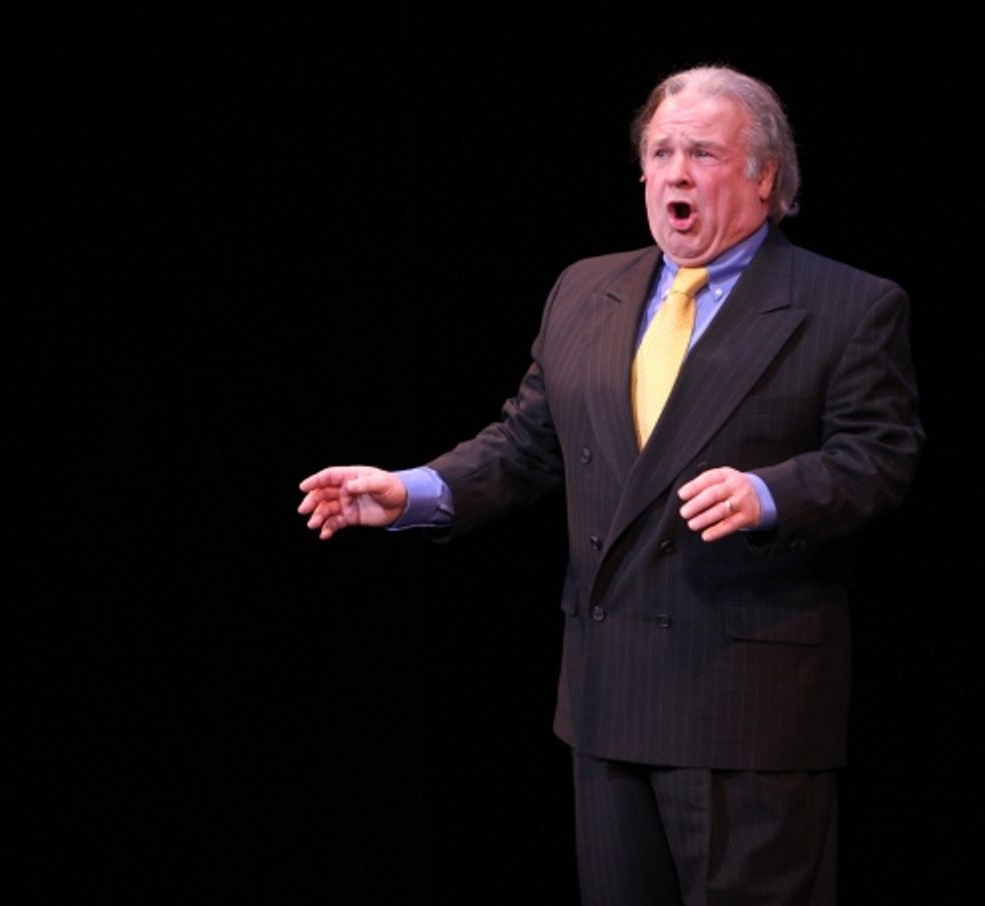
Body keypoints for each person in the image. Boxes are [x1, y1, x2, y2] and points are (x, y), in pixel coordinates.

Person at [297, 65, 923, 904]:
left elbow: (879, 458)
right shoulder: (586, 290)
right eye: (659, 152)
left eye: (701, 152)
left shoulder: (848, 305)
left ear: (763, 175)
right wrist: (413, 491)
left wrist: (772, 493)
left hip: (745, 708)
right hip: (608, 695)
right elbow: (526, 445)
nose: (674, 171)